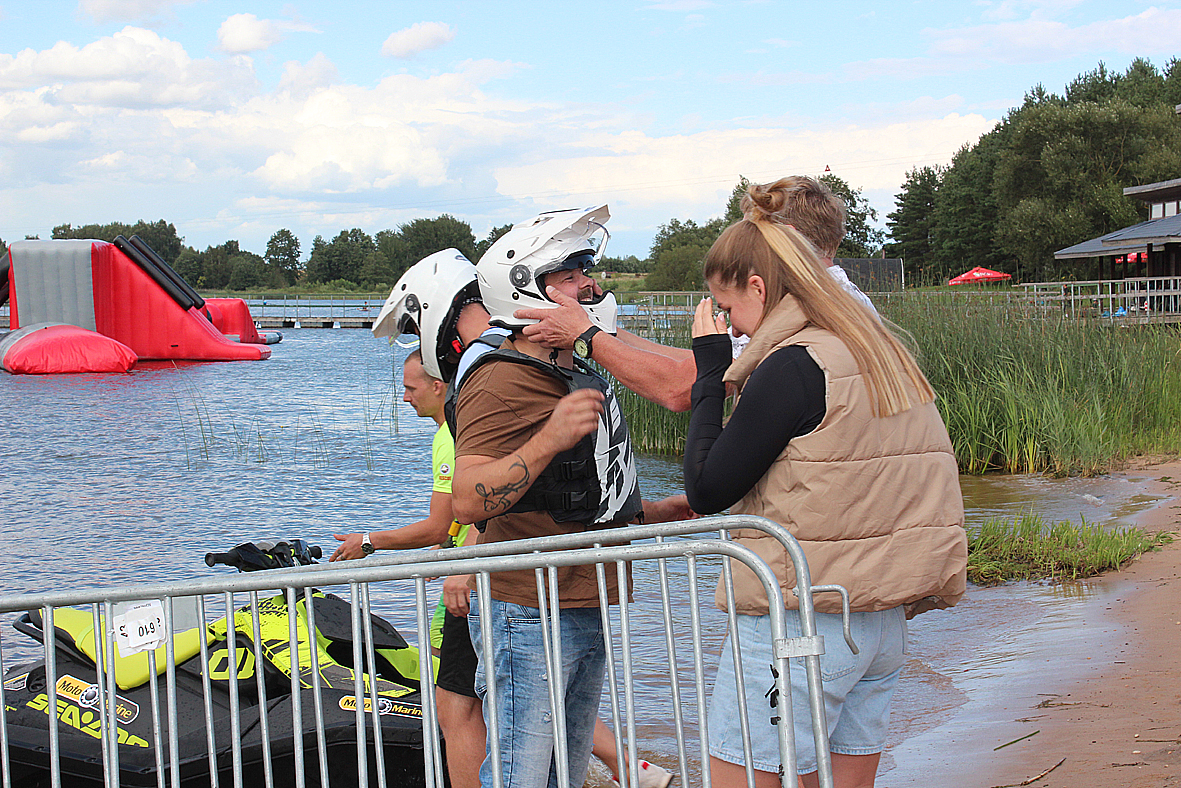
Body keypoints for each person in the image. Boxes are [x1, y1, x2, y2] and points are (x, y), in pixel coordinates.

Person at [681, 182, 967, 788]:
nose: (729, 325)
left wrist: (710, 373)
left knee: (742, 775)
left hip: (800, 619)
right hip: (878, 619)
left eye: (727, 308)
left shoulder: (795, 363)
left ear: (758, 288)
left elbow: (708, 488)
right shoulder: (880, 348)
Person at [451, 205, 693, 788]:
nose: (590, 283)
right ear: (526, 289)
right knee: (521, 775)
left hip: (583, 600)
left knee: (567, 770)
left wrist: (660, 512)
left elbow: (572, 502)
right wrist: (550, 438)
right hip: (527, 610)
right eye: (571, 273)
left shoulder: (575, 370)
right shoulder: (500, 377)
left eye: (587, 269)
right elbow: (466, 501)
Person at [514, 175, 875, 408]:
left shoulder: (804, 312)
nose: (743, 250)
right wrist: (604, 331)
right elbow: (699, 366)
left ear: (789, 240)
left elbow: (681, 387)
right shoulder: (840, 299)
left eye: (752, 238)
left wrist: (585, 337)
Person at [329, 343, 486, 788]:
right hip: (469, 573)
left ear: (438, 386)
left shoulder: (450, 437)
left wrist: (369, 542)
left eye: (410, 388)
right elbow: (457, 519)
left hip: (470, 585)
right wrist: (449, 541)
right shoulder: (457, 430)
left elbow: (438, 523)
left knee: (456, 703)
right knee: (488, 692)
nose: (404, 397)